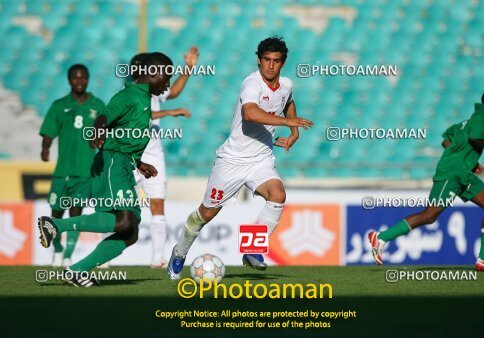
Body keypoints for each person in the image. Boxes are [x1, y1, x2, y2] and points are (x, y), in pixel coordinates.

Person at [167, 36, 314, 279]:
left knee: (277, 194)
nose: (270, 65)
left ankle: (253, 249)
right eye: (266, 60)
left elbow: (288, 101)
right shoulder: (252, 84)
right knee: (206, 213)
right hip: (231, 161)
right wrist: (287, 122)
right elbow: (250, 113)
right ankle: (179, 252)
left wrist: (294, 131)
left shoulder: (286, 85)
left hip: (261, 160)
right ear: (258, 60)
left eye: (276, 61)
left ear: (282, 63)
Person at [36, 52, 173, 286]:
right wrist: (99, 131)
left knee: (130, 233)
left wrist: (139, 164)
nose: (168, 84)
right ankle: (56, 225)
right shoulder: (130, 95)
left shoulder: (144, 99)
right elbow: (103, 116)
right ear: (153, 74)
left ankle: (76, 270)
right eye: (167, 77)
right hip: (112, 163)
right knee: (125, 222)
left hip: (124, 164)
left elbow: (122, 133)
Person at [368, 89, 484, 271]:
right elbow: (475, 138)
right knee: (429, 216)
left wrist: (467, 161)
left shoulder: (466, 123)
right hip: (451, 174)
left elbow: (447, 140)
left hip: (463, 173)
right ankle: (381, 237)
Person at [130, 47, 198, 269]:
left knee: (158, 204)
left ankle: (157, 258)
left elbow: (174, 92)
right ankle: (105, 258)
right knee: (117, 206)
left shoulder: (155, 91)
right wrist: (169, 112)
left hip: (154, 155)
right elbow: (141, 115)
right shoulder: (130, 95)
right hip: (130, 155)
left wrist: (188, 68)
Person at [39, 64, 106, 267]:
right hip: (62, 172)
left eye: (83, 77)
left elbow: (105, 127)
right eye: (76, 77)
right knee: (57, 213)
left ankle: (68, 255)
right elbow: (49, 131)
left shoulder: (98, 105)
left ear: (88, 79)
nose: (79, 81)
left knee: (76, 212)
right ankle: (57, 250)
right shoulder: (59, 105)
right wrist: (45, 148)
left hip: (85, 173)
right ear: (69, 80)